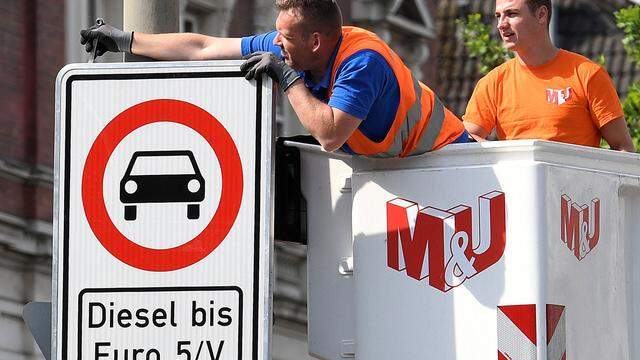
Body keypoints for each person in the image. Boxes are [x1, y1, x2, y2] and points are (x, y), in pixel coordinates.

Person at [80, 0, 468, 158]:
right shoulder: (291, 42)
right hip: (402, 168)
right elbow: (203, 47)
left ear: (315, 41)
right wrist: (127, 40)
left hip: (448, 157)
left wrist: (286, 76)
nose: (275, 42)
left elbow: (330, 136)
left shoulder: (361, 61)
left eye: (284, 37)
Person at [463, 0, 635, 152]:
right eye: (498, 16)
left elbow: (623, 149)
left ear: (541, 15)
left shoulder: (587, 74)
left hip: (577, 187)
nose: (501, 24)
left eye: (511, 14)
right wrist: (500, 158)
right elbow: (466, 140)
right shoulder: (493, 82)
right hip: (516, 188)